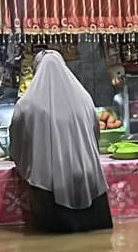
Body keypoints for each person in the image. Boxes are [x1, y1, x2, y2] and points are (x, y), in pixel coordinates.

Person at [10, 51, 113, 233]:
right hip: (88, 179)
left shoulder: (26, 105)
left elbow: (17, 143)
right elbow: (95, 134)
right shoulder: (84, 98)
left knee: (54, 248)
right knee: (98, 244)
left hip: (48, 184)